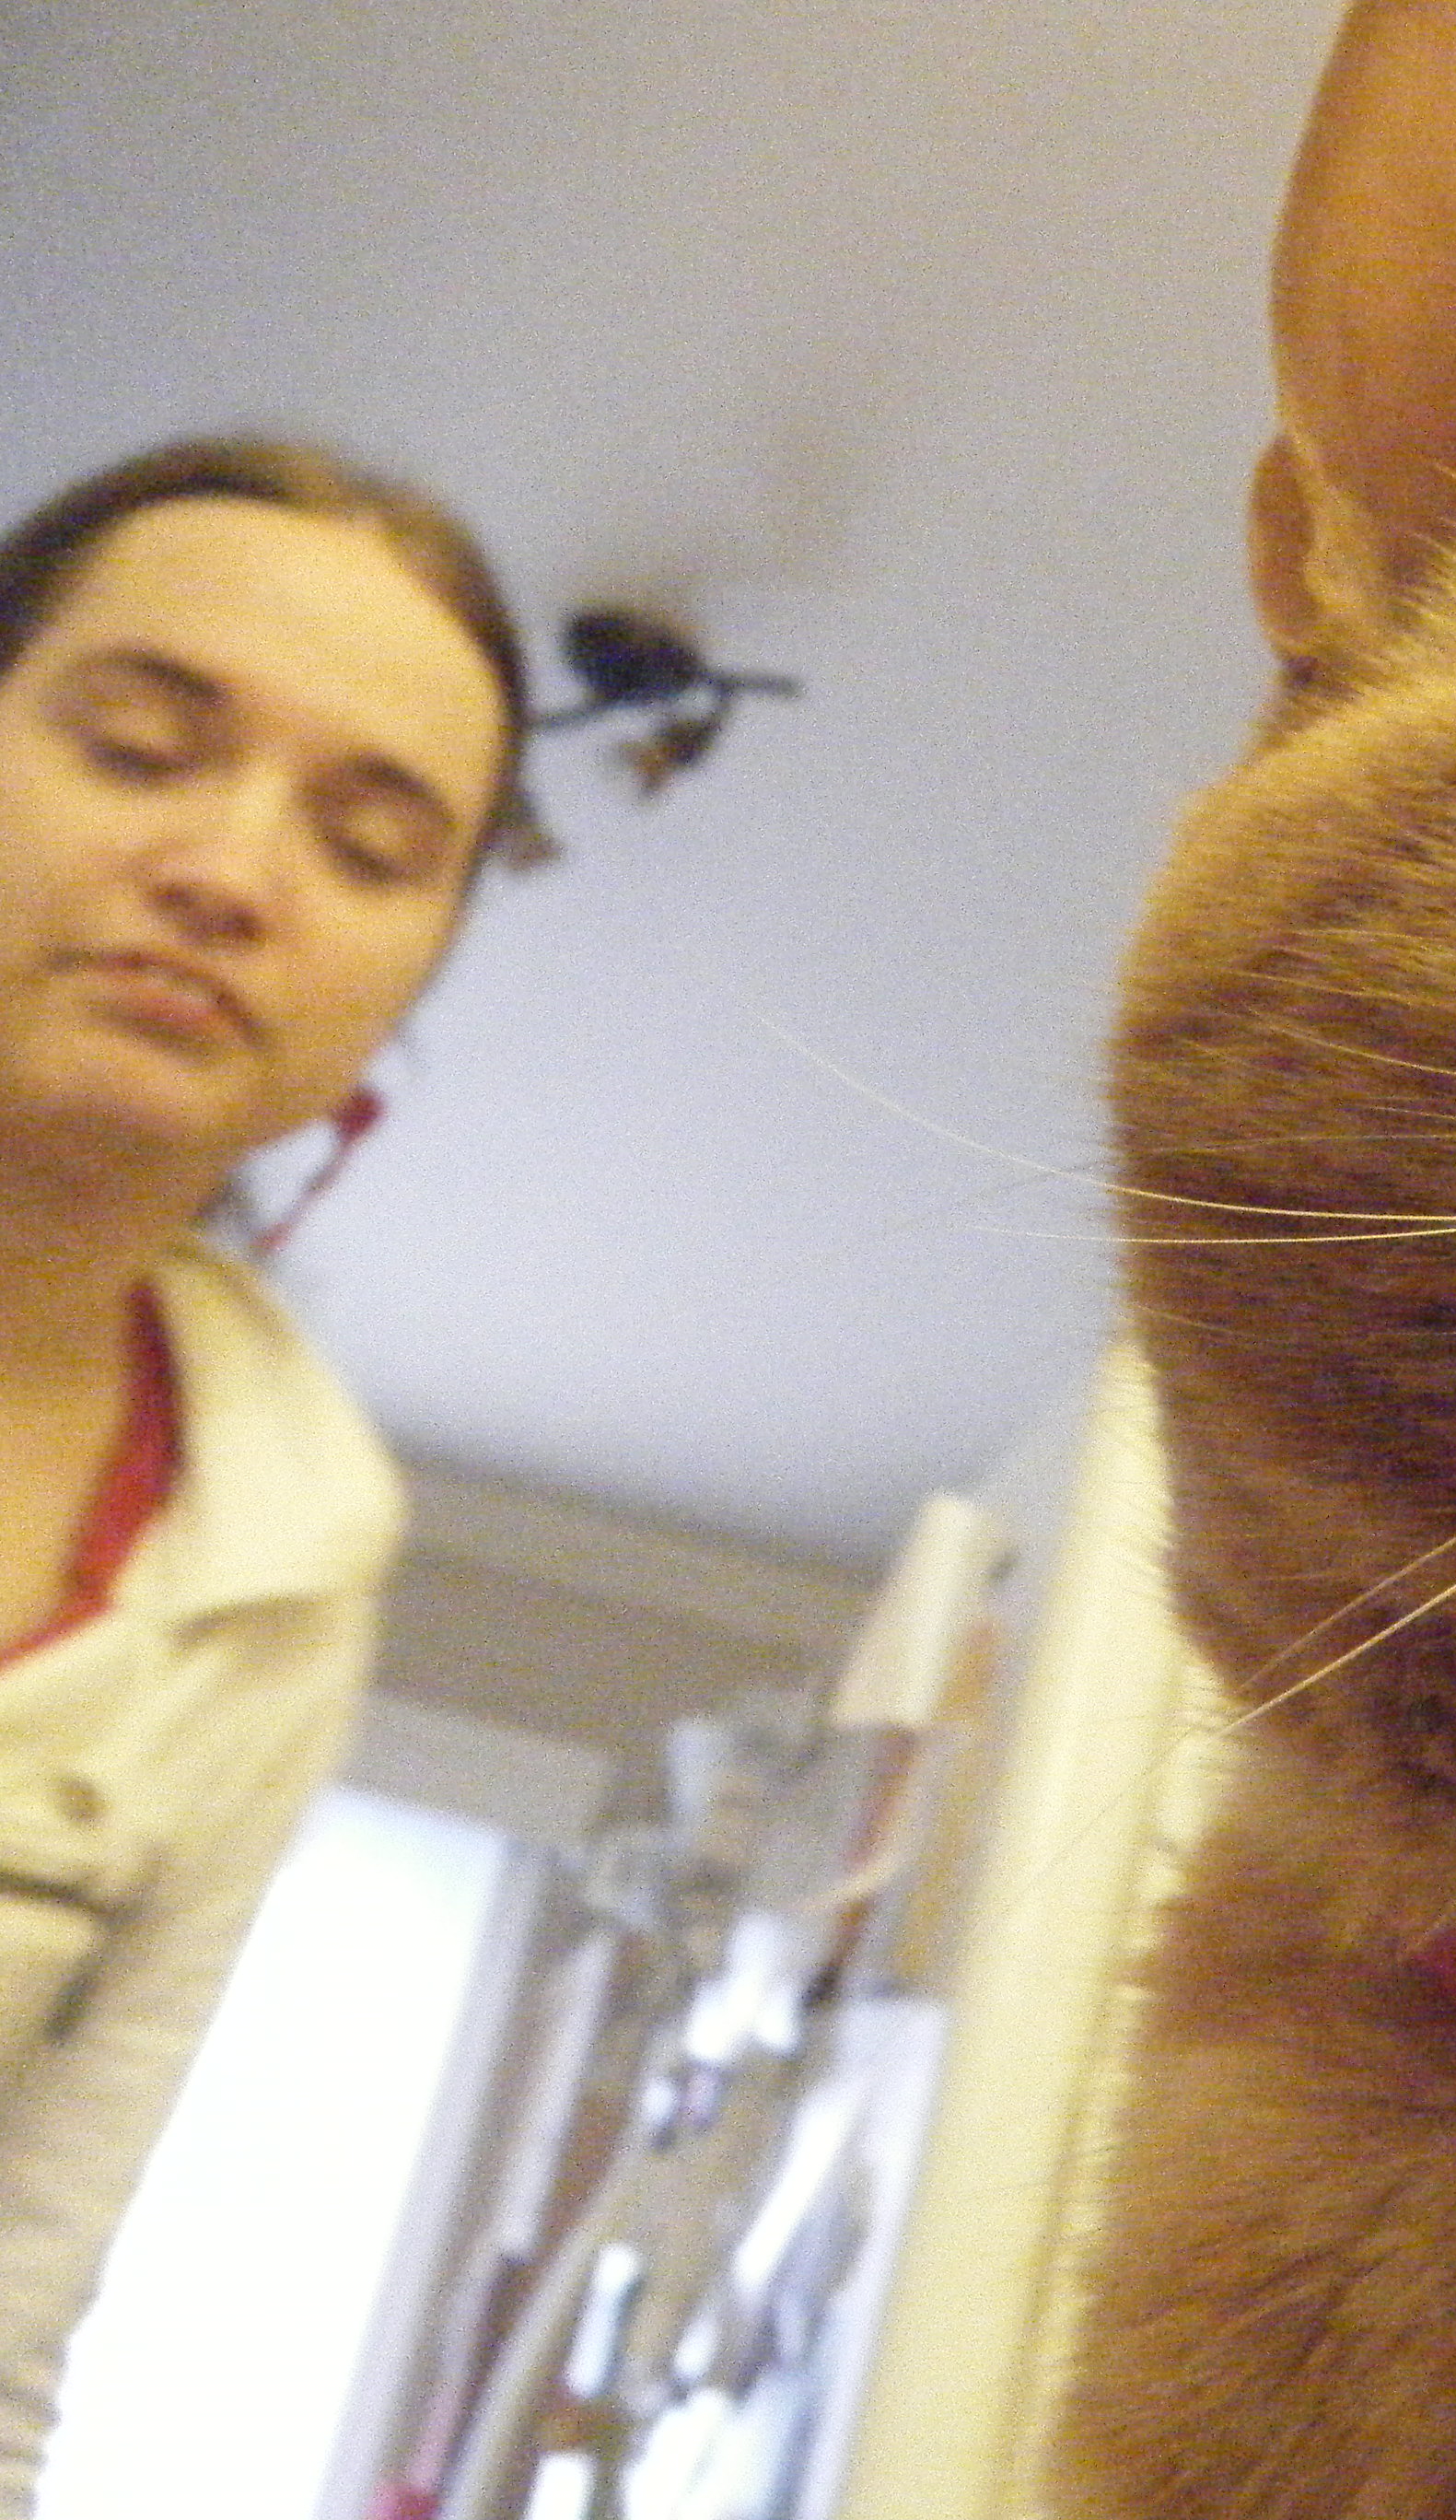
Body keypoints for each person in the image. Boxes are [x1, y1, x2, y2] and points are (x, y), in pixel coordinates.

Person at [0, 436, 539, 2509]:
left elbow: (22, 2297)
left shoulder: (282, 1571)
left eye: (372, 846)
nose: (232, 874)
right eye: (140, 749)